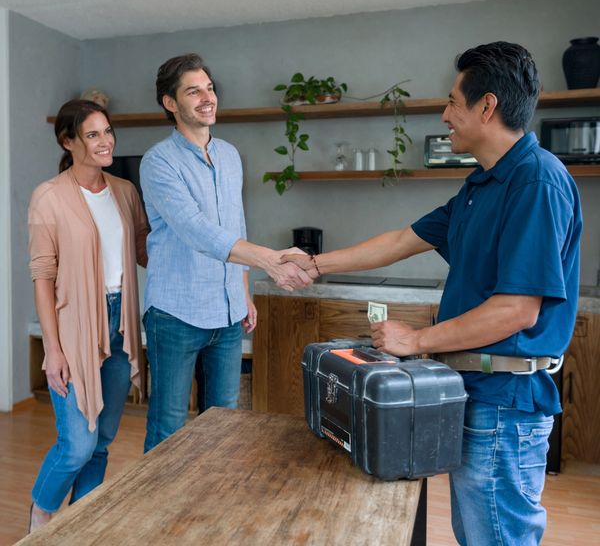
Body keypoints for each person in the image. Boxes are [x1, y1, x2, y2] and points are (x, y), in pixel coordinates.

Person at [283, 42, 582, 546]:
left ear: (487, 106)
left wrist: (417, 340)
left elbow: (516, 310)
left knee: (496, 537)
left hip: (505, 403)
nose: (444, 114)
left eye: (452, 102)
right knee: (475, 532)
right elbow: (402, 240)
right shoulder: (481, 184)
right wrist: (315, 263)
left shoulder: (535, 182)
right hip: (475, 390)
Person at [140, 53, 311, 452]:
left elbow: (236, 226)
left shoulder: (231, 156)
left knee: (225, 421)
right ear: (171, 103)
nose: (207, 97)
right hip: (176, 313)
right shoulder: (158, 162)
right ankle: (159, 512)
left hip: (229, 312)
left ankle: (207, 511)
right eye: (193, 91)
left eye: (210, 88)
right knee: (168, 426)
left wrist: (244, 292)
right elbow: (196, 230)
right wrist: (269, 258)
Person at [27, 99, 149, 531]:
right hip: (76, 326)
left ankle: (80, 527)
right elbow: (43, 277)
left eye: (108, 132)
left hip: (119, 323)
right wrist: (53, 349)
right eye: (93, 134)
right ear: (68, 140)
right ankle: (42, 511)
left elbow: (144, 252)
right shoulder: (49, 197)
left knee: (102, 442)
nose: (106, 141)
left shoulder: (125, 192)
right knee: (78, 444)